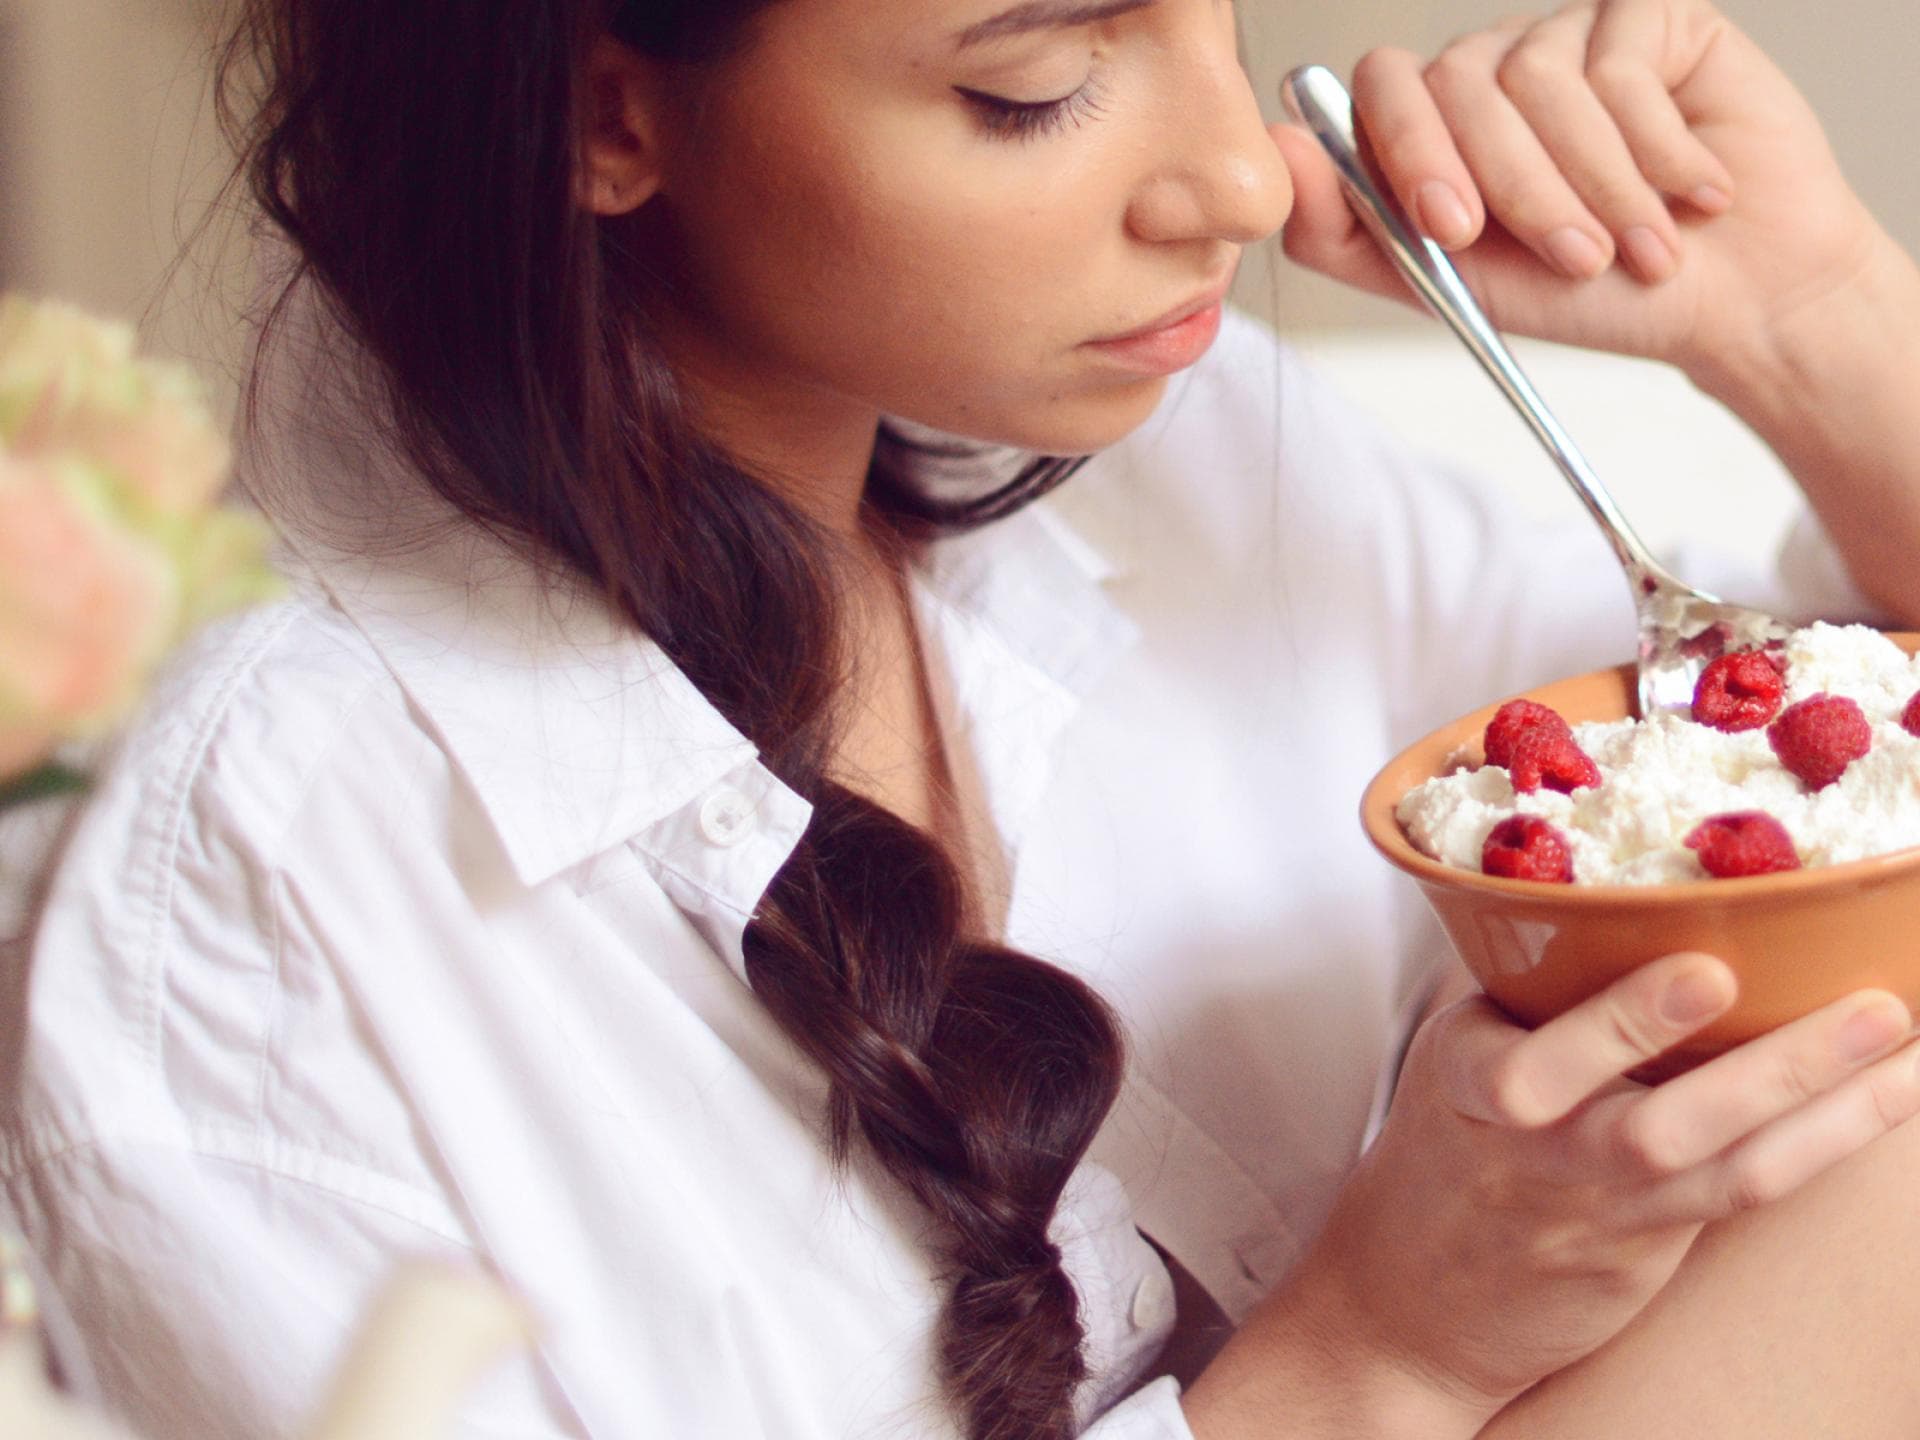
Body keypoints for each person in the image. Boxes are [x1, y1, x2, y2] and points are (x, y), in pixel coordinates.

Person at [5, 0, 1920, 1436]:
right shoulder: (243, 905)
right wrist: (1368, 1362)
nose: (1244, 180)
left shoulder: (1184, 456)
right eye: (1033, 88)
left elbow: (1819, 799)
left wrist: (1815, 325)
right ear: (605, 108)